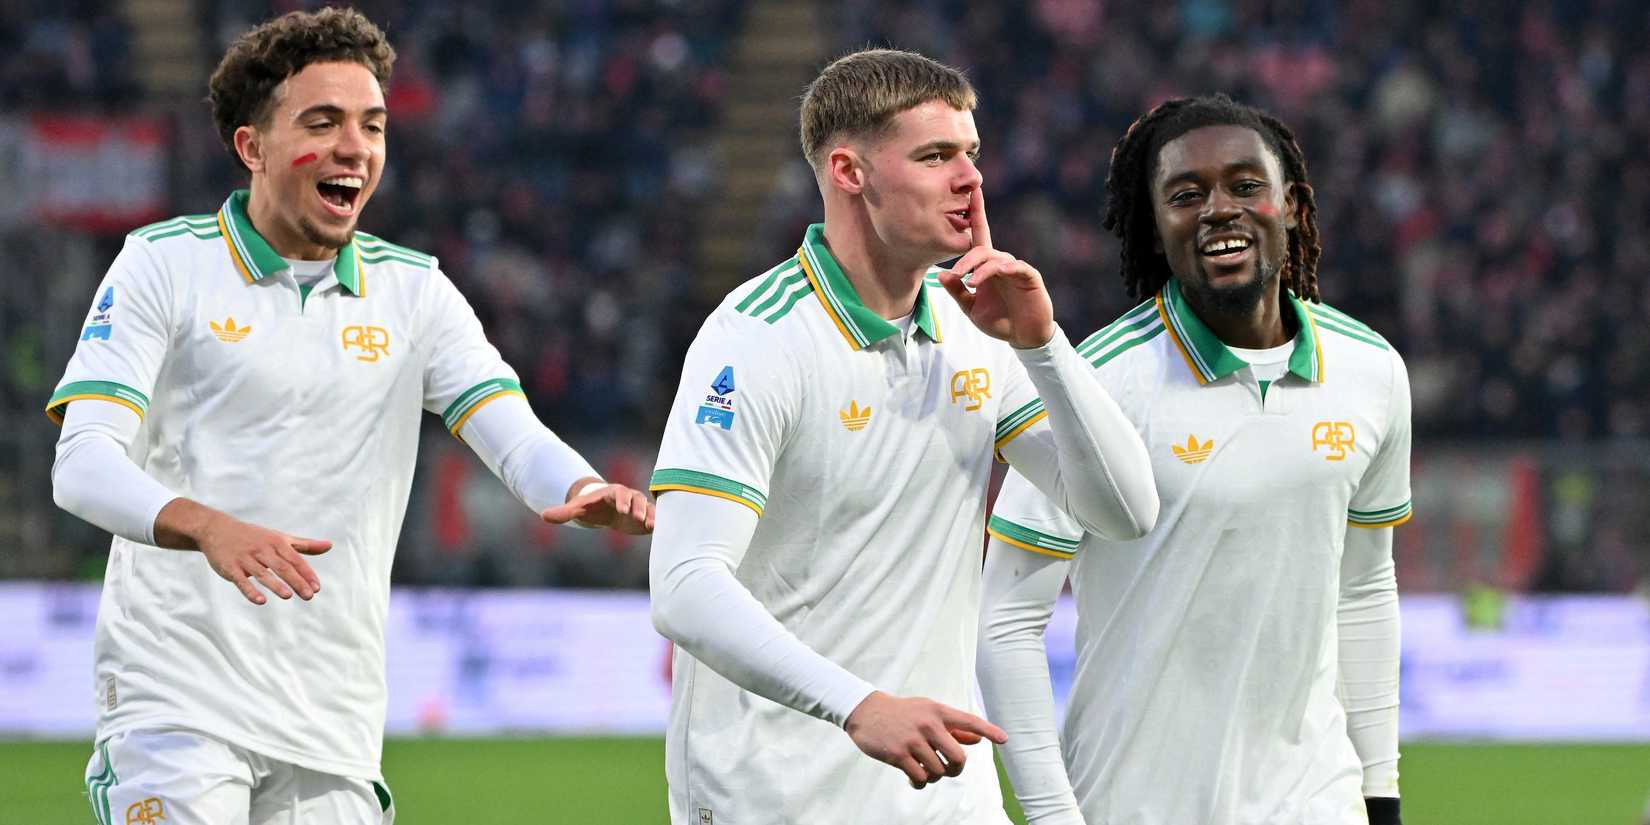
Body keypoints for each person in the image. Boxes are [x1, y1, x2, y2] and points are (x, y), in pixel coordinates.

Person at [48, 9, 653, 824]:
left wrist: (583, 487)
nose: (355, 148)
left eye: (371, 125)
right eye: (322, 122)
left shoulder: (416, 293)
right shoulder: (166, 264)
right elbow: (82, 462)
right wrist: (207, 526)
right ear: (252, 147)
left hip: (331, 719)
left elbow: (510, 429)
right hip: (177, 695)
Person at [646, 49, 1159, 824]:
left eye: (973, 155)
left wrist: (1043, 343)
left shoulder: (975, 327)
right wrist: (859, 704)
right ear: (850, 172)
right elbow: (684, 585)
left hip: (945, 797)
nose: (971, 179)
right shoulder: (755, 338)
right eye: (936, 155)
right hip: (777, 797)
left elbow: (1124, 509)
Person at [978, 94, 1410, 825]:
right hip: (1135, 803)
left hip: (1316, 800)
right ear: (1155, 227)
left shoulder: (1372, 370)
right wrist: (1054, 815)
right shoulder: (1099, 382)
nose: (1219, 209)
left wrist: (1381, 791)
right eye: (1187, 194)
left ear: (1293, 206)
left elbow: (1363, 588)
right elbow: (1007, 618)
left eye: (1246, 186)